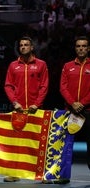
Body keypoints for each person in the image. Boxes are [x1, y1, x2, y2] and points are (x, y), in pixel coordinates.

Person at [4, 36, 49, 182]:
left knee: (37, 142)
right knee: (16, 143)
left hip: (36, 109)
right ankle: (14, 173)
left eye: (26, 45)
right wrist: (15, 102)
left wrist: (37, 103)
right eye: (21, 45)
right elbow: (8, 86)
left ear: (32, 47)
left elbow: (44, 86)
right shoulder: (13, 66)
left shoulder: (41, 65)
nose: (23, 47)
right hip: (18, 110)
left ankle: (40, 174)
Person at [60, 35, 90, 172]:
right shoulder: (67, 66)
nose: (81, 48)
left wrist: (82, 103)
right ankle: (64, 174)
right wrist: (73, 103)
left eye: (84, 46)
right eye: (78, 46)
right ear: (75, 48)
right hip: (70, 111)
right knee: (66, 145)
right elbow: (63, 87)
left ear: (88, 48)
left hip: (88, 111)